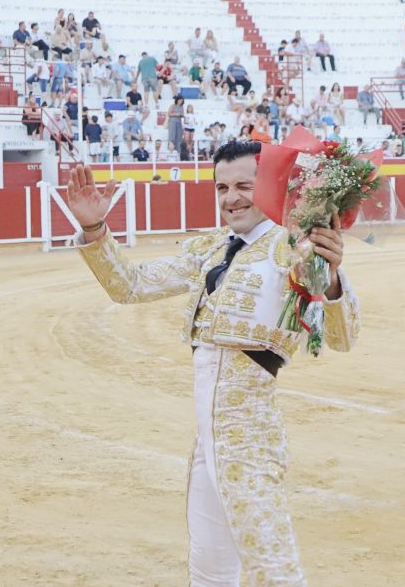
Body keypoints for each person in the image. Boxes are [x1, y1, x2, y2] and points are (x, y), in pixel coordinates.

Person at [64, 142, 359, 587]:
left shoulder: (295, 247)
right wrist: (95, 228)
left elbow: (341, 336)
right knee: (209, 564)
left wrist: (332, 276)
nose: (231, 198)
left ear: (270, 186)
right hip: (210, 438)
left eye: (244, 185)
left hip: (251, 436)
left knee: (272, 565)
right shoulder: (212, 248)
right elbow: (130, 286)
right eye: (222, 187)